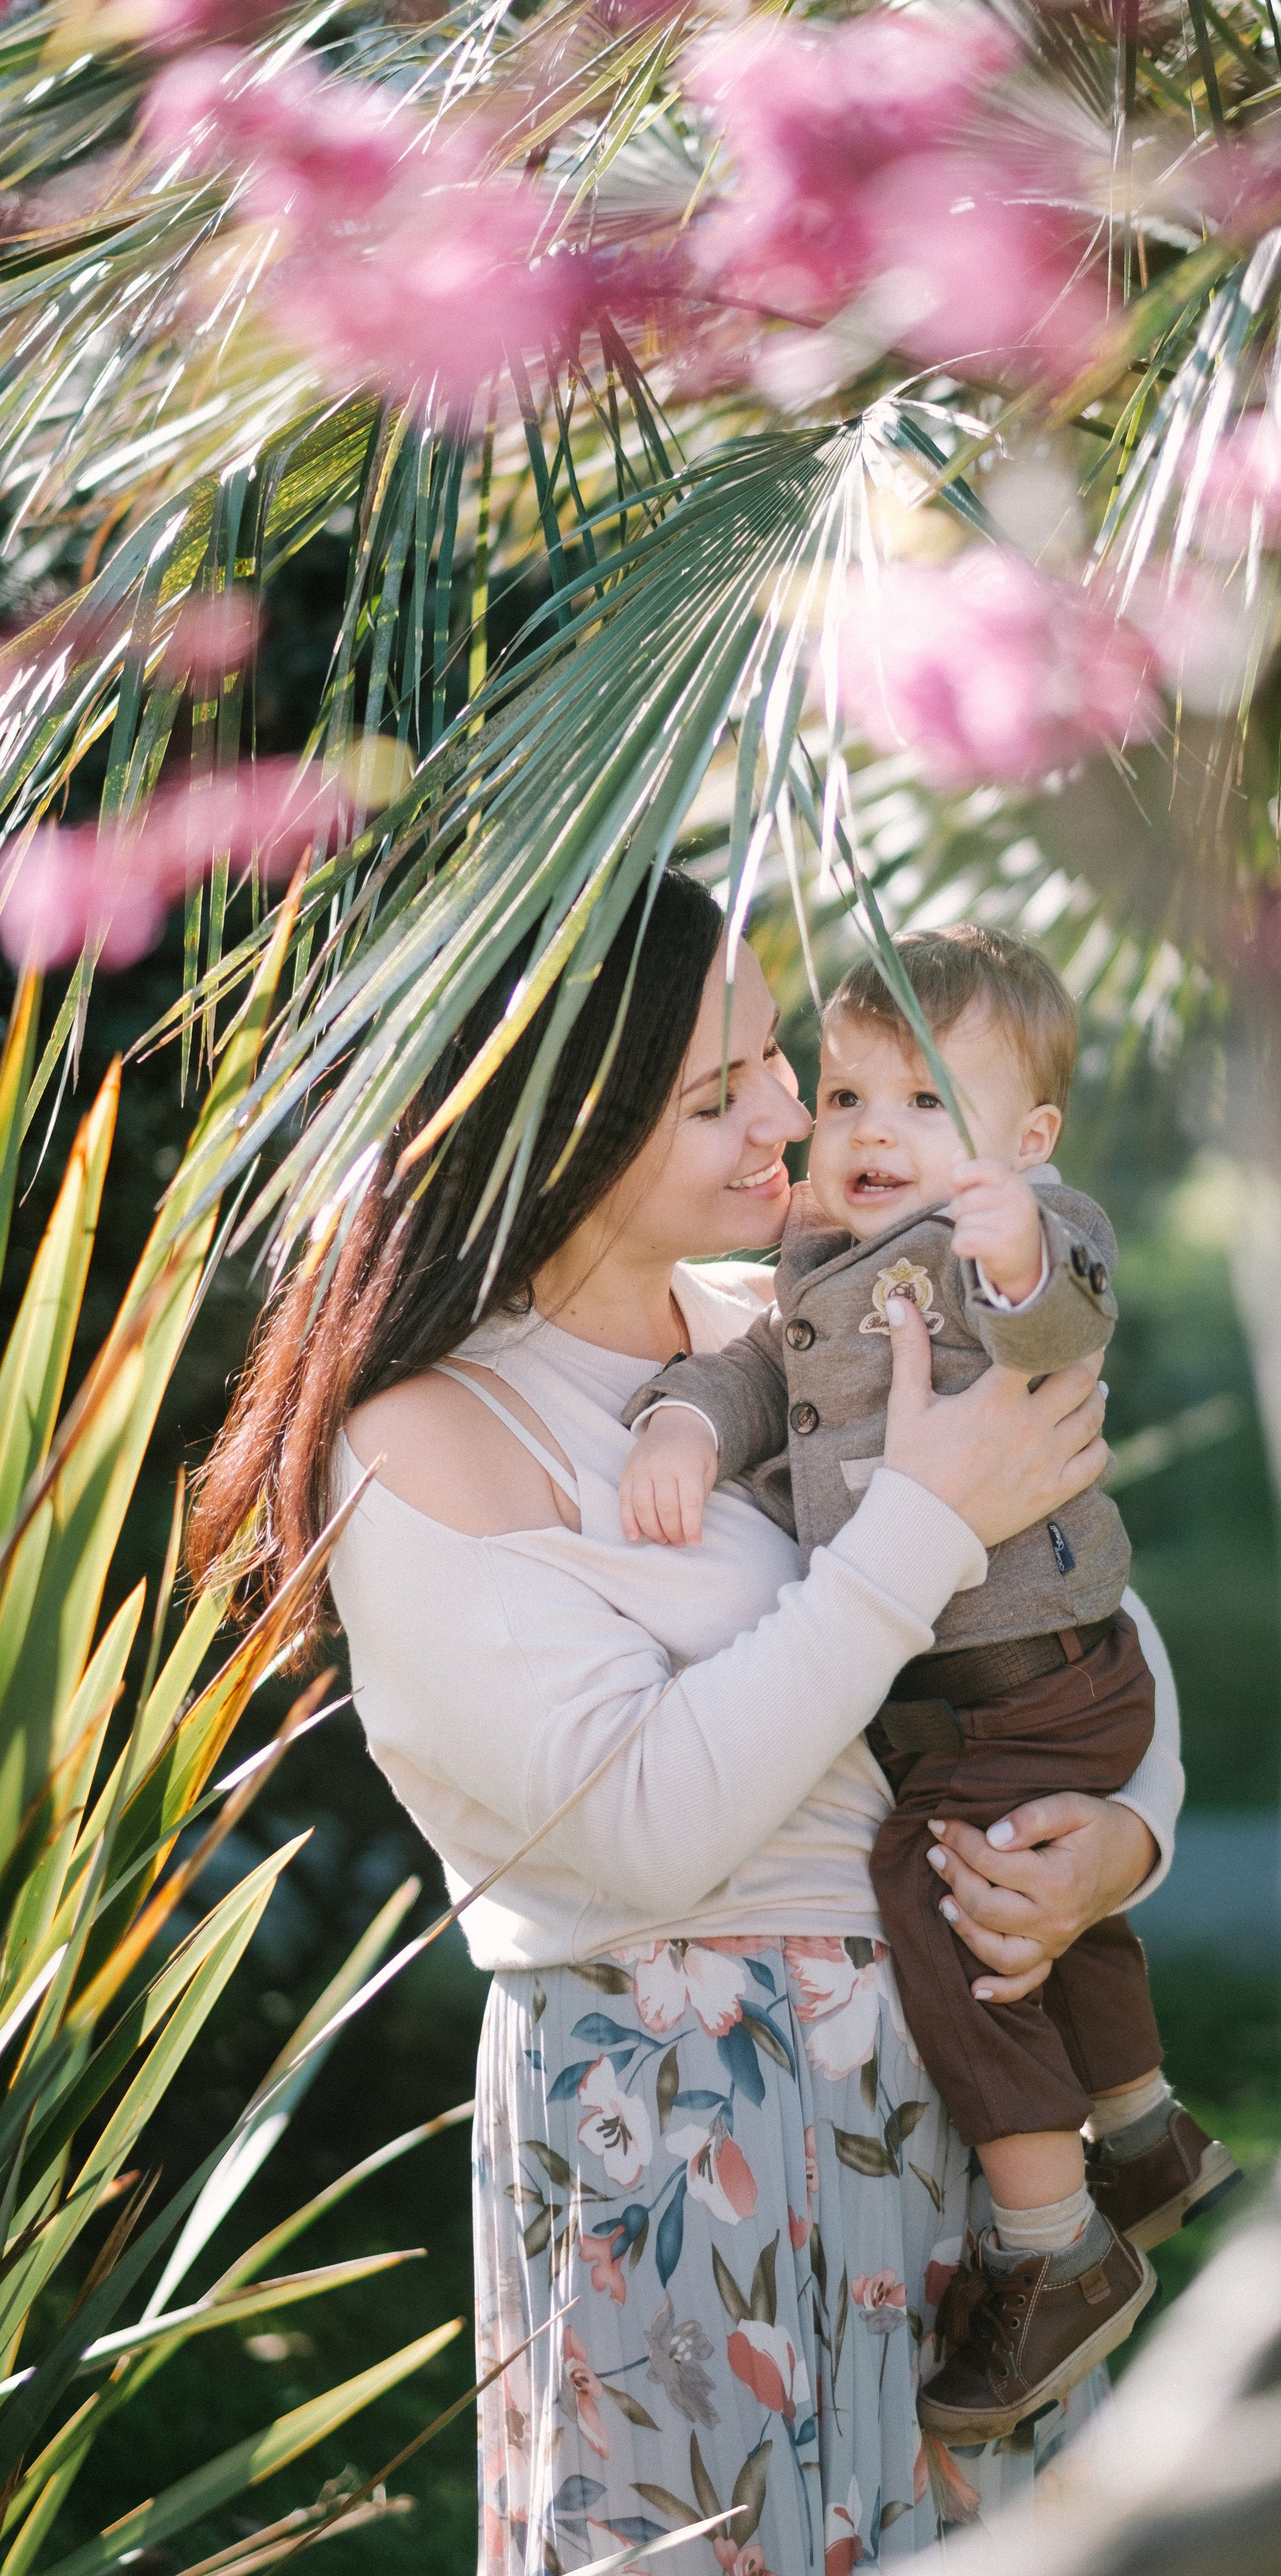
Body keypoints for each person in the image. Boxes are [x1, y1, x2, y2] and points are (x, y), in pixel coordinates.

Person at [190, 870, 1187, 2576]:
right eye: (720, 1093)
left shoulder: (788, 1324)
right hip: (683, 2128)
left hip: (952, 2110)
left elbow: (1082, 1619)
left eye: (774, 1067)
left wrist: (1123, 1839)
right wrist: (919, 1524)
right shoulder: (430, 1441)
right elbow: (644, 1826)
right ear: (553, 1129)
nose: (794, 1113)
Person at [618, 926, 1238, 2441]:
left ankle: (1056, 2247)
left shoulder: (1006, 1237)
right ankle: (1144, 2138)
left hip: (1034, 1670)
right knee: (1028, 1883)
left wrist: (1013, 1240)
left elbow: (1063, 1311)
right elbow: (760, 1369)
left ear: (1021, 1142)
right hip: (990, 1691)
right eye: (843, 1096)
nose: (869, 1133)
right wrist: (684, 1426)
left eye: (921, 1103)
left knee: (939, 1885)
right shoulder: (816, 1265)